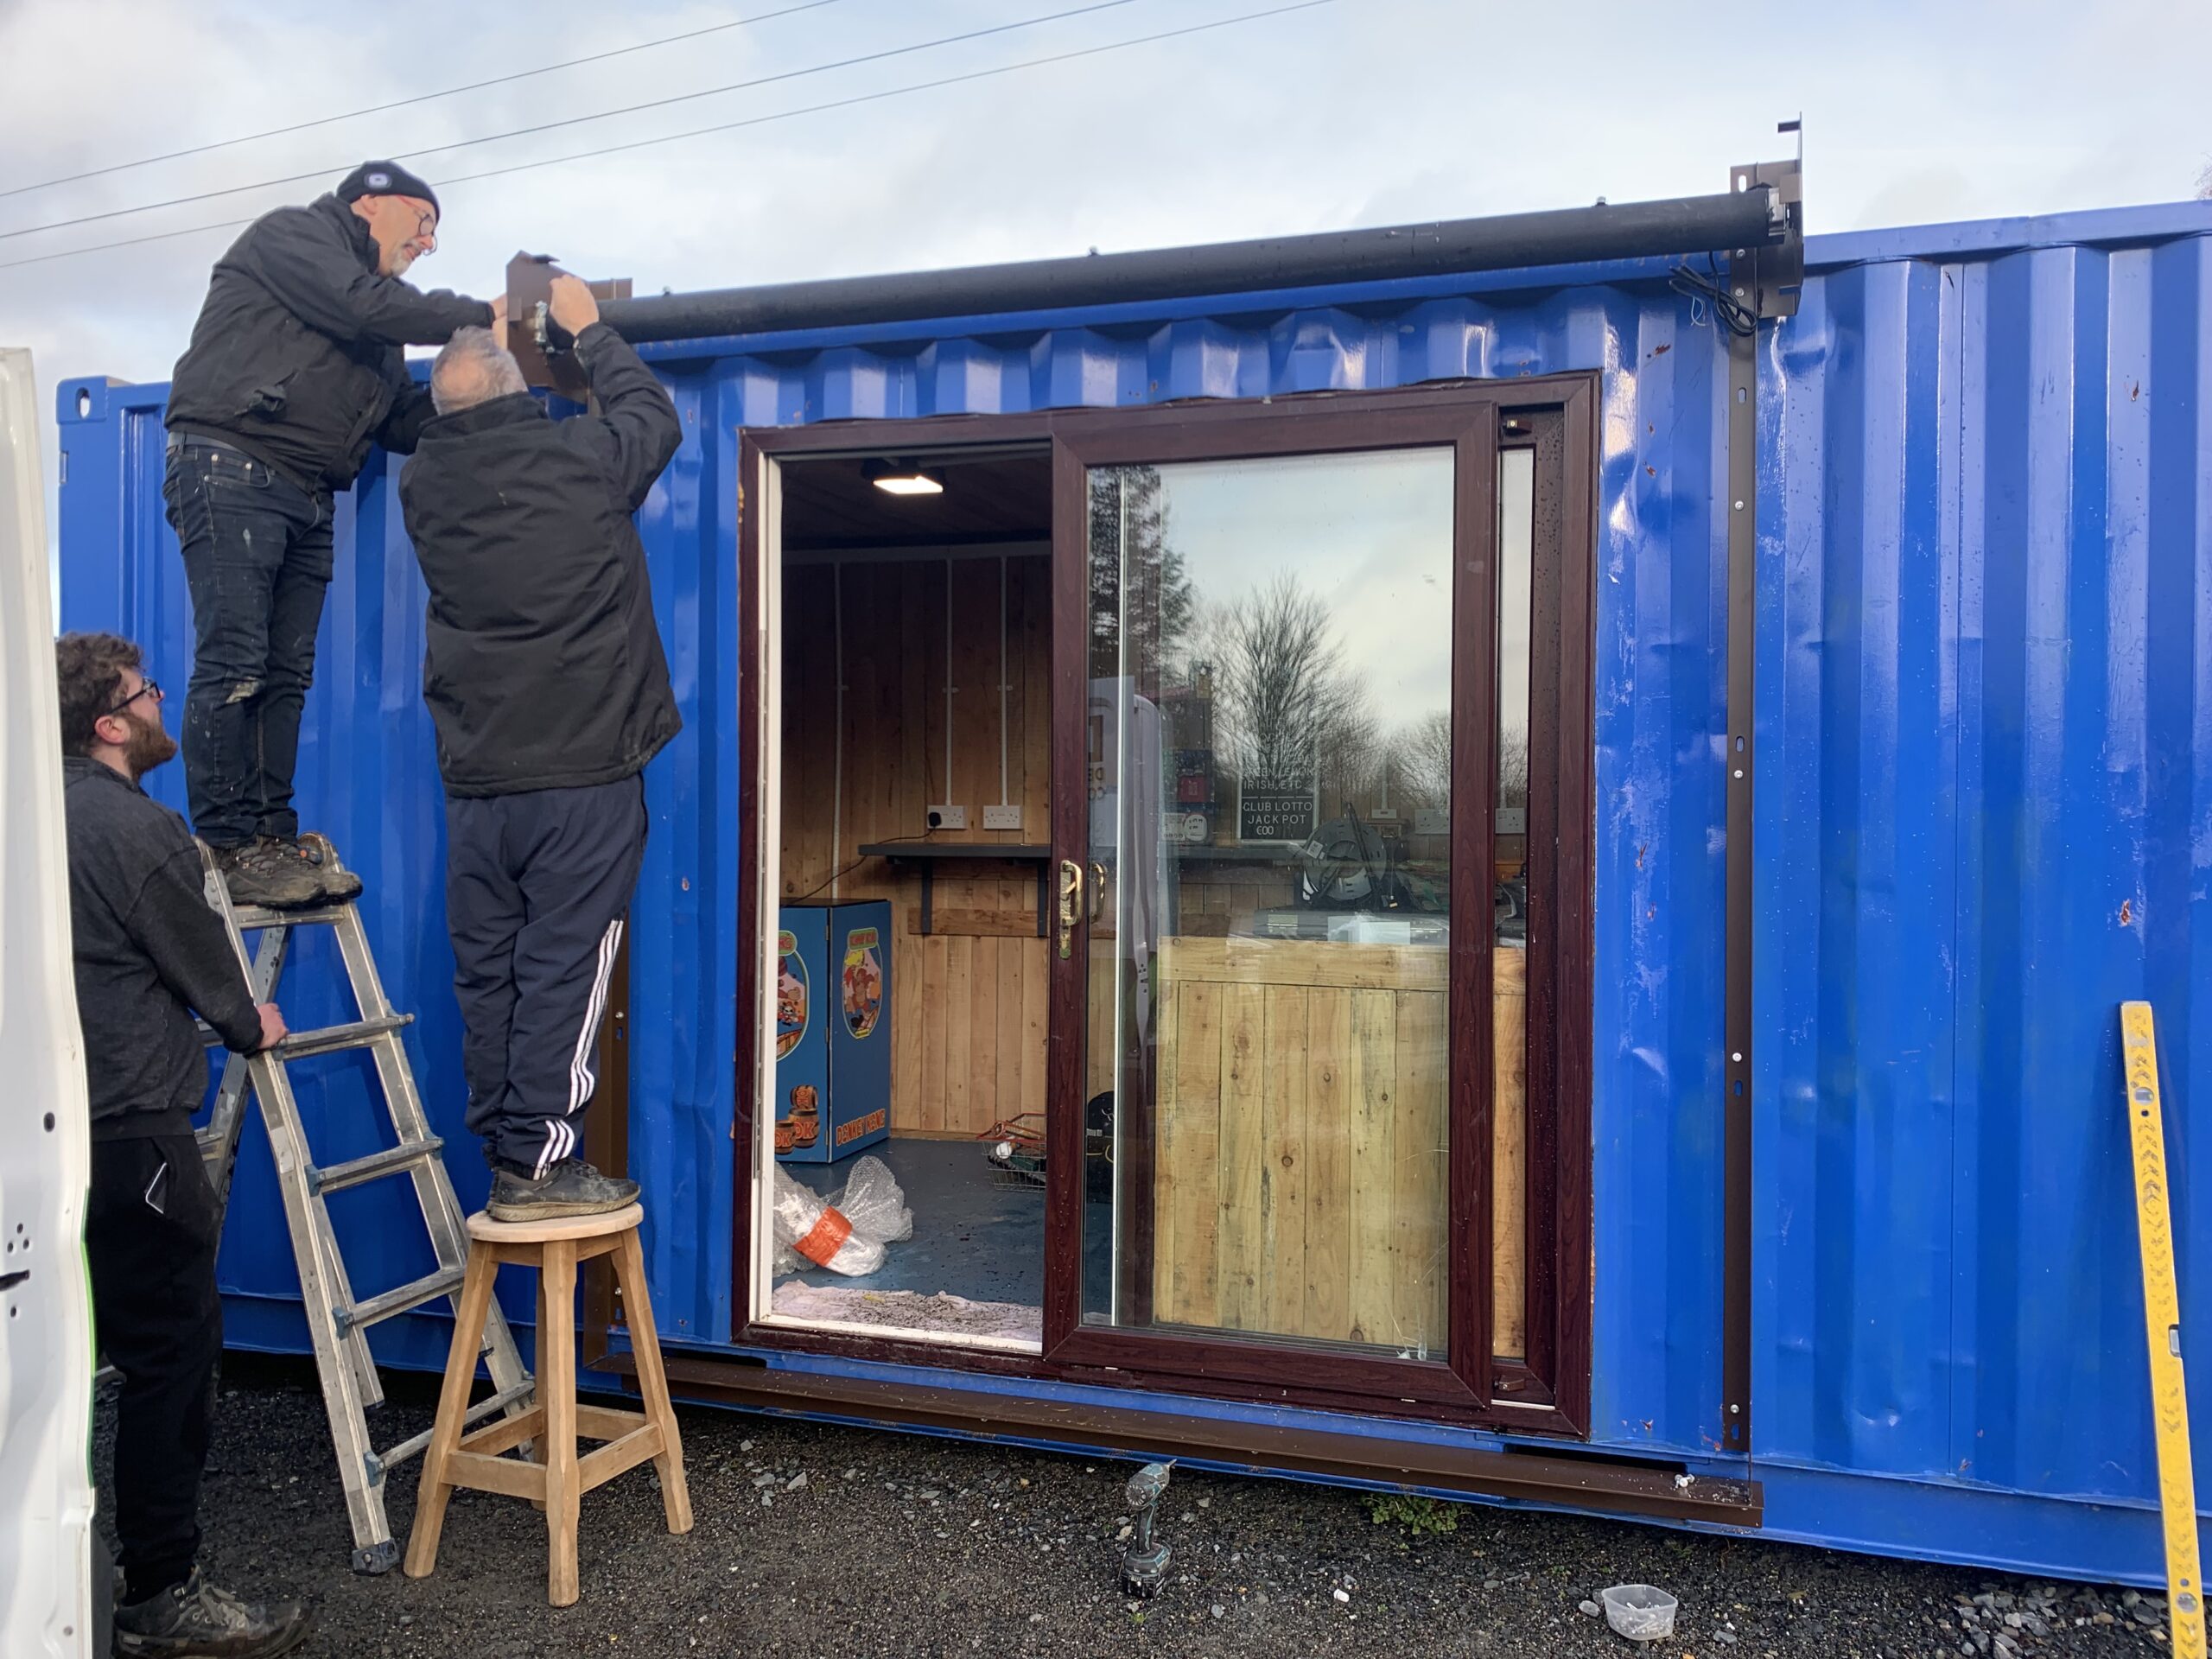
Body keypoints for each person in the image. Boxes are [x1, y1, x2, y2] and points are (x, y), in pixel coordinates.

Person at [398, 276, 680, 1221]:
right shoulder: (581, 461)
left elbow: (459, 418)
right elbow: (653, 419)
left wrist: (475, 337)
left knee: (491, 969)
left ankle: (507, 1149)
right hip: (583, 775)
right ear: (520, 394)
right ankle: (540, 1165)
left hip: (479, 779)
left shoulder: (425, 486)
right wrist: (590, 331)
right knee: (566, 962)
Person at [56, 632, 312, 1659]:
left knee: (58, 1355)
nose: (159, 701)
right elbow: (215, 980)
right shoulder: (138, 831)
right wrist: (254, 1022)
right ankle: (161, 1592)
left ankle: (62, 1571)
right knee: (168, 1357)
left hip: (52, 1136)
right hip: (138, 1137)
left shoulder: (29, 818)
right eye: (145, 692)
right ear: (110, 725)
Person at [164, 160, 505, 910]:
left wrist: (479, 405)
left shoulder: (376, 333)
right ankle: (227, 845)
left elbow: (397, 418)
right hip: (232, 463)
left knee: (284, 675)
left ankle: (271, 840)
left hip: (306, 490)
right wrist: (483, 314)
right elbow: (363, 305)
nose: (427, 244)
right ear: (372, 202)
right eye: (424, 223)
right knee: (236, 664)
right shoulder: (295, 238)